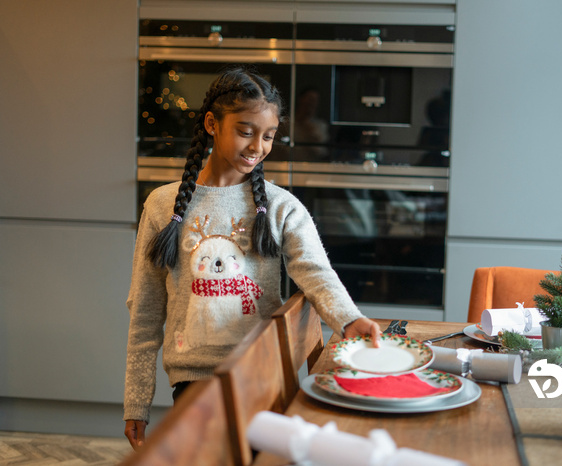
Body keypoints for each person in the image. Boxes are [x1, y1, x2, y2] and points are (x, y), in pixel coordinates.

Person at [123, 67, 381, 449]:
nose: (257, 146)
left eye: (269, 136)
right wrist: (136, 402)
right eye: (246, 131)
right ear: (212, 123)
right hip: (195, 380)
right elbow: (145, 310)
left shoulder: (281, 207)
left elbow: (315, 272)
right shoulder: (162, 205)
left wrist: (349, 318)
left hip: (262, 371)